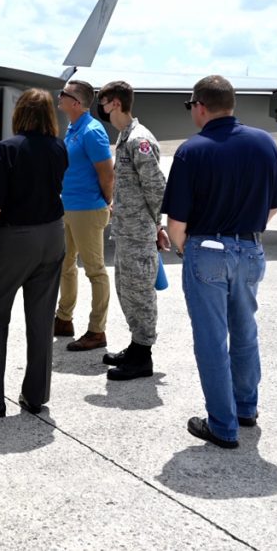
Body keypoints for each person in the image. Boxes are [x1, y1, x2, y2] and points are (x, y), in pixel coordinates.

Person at [162, 75, 277, 449]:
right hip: (250, 248)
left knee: (212, 339)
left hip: (207, 251)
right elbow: (274, 205)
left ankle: (222, 425)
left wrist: (186, 249)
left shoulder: (192, 151)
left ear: (200, 106)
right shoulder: (264, 143)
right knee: (245, 331)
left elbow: (176, 224)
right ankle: (246, 408)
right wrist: (245, 235)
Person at [0, 89, 68, 417]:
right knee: (41, 319)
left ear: (20, 113)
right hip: (53, 235)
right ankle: (36, 395)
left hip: (17, 239)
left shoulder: (7, 149)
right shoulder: (58, 147)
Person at [95, 81, 170, 380]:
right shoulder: (125, 137)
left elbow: (156, 187)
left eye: (102, 102)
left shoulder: (139, 140)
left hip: (139, 234)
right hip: (127, 231)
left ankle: (143, 356)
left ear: (115, 103)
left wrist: (158, 226)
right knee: (127, 292)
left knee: (140, 294)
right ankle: (136, 346)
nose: (100, 109)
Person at [54, 79, 114, 351]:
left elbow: (107, 174)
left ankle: (97, 331)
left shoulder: (92, 131)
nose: (59, 96)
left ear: (76, 103)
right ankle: (64, 319)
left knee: (95, 271)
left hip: (88, 209)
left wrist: (106, 202)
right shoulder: (73, 128)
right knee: (65, 265)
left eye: (63, 94)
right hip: (69, 207)